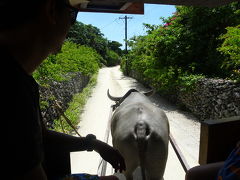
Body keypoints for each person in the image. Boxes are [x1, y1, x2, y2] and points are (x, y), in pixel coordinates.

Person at [2, 0, 125, 179]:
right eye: (72, 15)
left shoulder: (21, 78)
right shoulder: (12, 85)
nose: (71, 26)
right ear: (51, 10)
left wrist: (94, 144)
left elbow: (42, 137)